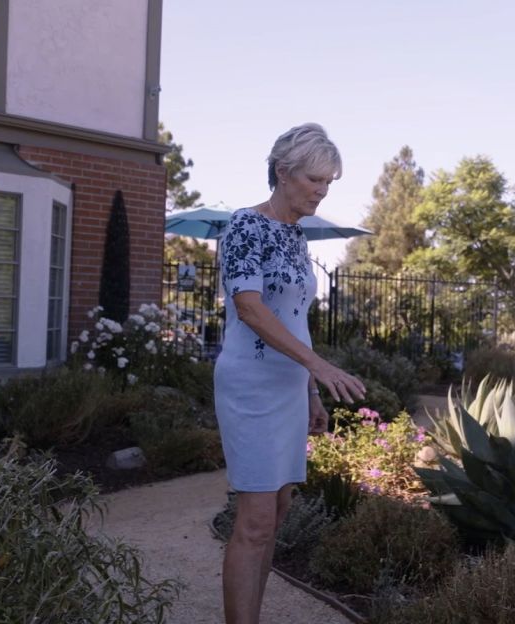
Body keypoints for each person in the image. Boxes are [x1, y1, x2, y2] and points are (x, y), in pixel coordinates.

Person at [214, 123, 366, 624]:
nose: (322, 191)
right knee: (256, 521)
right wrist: (317, 365)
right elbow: (250, 308)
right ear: (283, 171)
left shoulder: (296, 237)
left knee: (276, 515)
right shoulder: (245, 226)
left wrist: (310, 393)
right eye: (314, 180)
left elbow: (296, 318)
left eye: (329, 183)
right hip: (251, 386)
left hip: (288, 390)